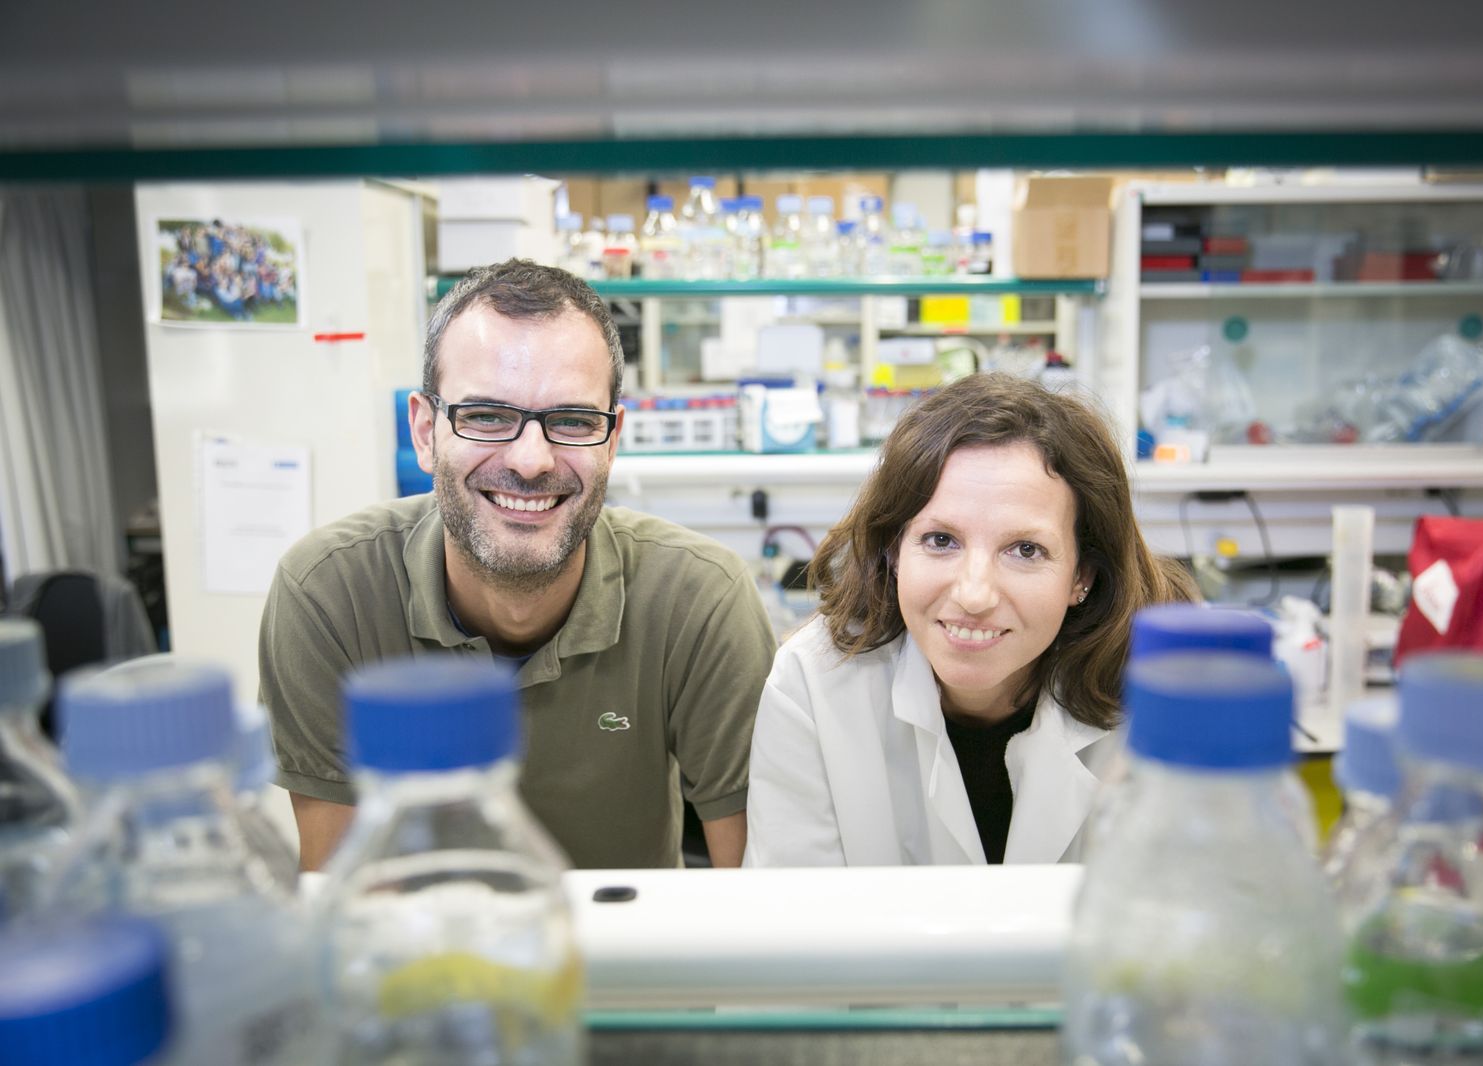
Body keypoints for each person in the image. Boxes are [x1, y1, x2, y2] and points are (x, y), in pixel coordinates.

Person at [260, 260, 776, 871]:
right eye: (486, 416)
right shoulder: (327, 596)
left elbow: (758, 899)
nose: (531, 460)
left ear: (612, 440)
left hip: (636, 960)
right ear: (426, 432)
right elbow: (341, 904)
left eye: (574, 421)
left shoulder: (699, 600)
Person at [744, 373, 1198, 866]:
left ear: (1081, 576)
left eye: (1025, 549)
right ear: (895, 550)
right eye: (940, 540)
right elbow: (794, 928)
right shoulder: (811, 685)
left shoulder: (1162, 694)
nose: (974, 594)